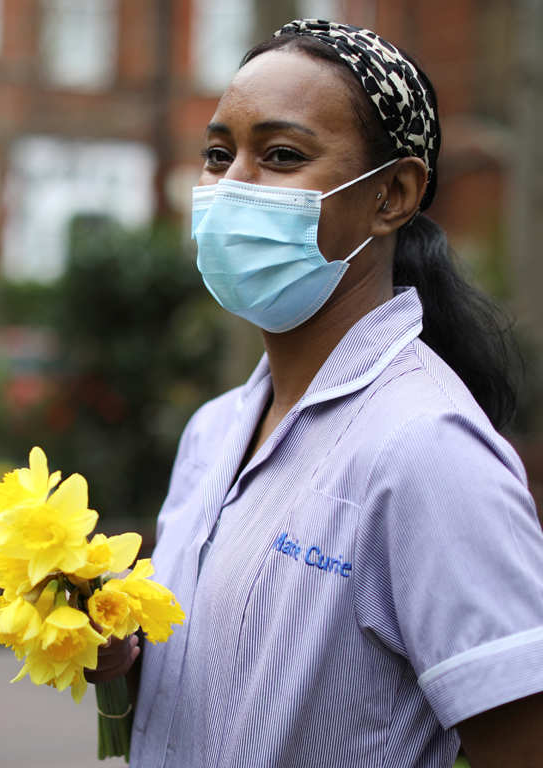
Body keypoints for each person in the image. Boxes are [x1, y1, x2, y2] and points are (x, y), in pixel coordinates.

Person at [86, 19, 543, 768]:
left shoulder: (424, 448)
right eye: (217, 154)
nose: (231, 187)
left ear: (392, 195)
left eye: (282, 156)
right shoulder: (214, 431)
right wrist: (123, 663)